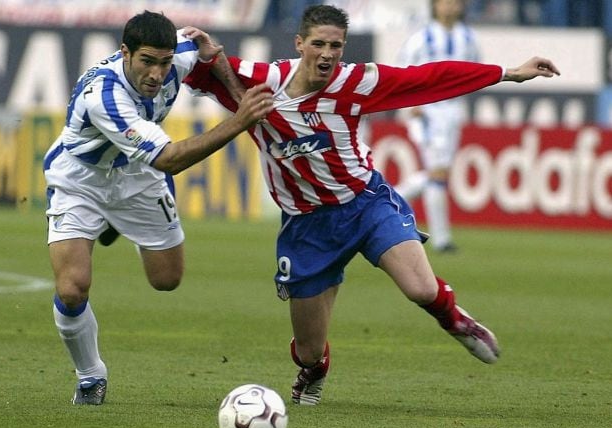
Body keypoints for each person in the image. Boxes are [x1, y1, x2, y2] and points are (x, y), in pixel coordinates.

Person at [183, 4, 559, 405]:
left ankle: (455, 319)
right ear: (299, 44)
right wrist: (201, 49)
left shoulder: (356, 82)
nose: (327, 54)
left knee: (420, 288)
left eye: (336, 46)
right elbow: (202, 71)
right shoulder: (263, 80)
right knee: (308, 350)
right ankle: (315, 369)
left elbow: (429, 77)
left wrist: (507, 73)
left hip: (365, 204)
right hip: (306, 226)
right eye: (318, 44)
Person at [44, 10, 273, 405]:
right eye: (146, 61)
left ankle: (115, 225)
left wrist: (235, 91)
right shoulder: (106, 96)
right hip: (82, 180)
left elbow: (207, 49)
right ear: (125, 53)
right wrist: (240, 118)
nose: (156, 73)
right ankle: (90, 375)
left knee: (166, 280)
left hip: (137, 177)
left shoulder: (176, 53)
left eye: (164, 63)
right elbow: (169, 160)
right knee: (72, 288)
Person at [393, 0, 480, 252]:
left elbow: (476, 69)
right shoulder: (422, 37)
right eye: (445, 2)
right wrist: (411, 101)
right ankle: (442, 240)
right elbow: (402, 69)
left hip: (454, 110)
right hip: (428, 108)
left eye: (456, 2)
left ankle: (387, 200)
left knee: (437, 174)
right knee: (437, 172)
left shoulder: (468, 38)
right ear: (435, 6)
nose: (451, 6)